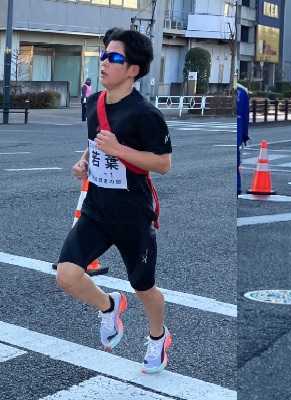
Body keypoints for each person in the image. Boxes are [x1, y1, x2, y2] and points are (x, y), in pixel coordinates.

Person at [57, 27, 174, 373]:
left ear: (133, 69)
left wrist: (118, 150)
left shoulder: (145, 114)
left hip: (133, 214)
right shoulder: (95, 103)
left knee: (144, 287)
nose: (104, 62)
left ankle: (158, 338)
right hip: (96, 209)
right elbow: (96, 143)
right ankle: (109, 306)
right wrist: (84, 162)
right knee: (66, 275)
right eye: (104, 55)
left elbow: (163, 163)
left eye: (114, 57)